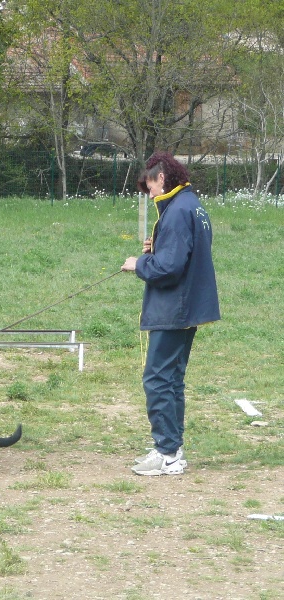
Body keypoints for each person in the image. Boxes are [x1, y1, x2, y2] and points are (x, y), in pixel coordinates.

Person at [121, 151, 220, 476]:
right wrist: (158, 247)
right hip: (186, 307)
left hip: (174, 308)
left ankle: (167, 453)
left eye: (149, 185)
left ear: (161, 178)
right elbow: (187, 252)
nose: (149, 193)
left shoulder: (177, 211)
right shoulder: (192, 204)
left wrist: (141, 263)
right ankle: (171, 449)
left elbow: (170, 267)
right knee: (171, 379)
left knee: (158, 379)